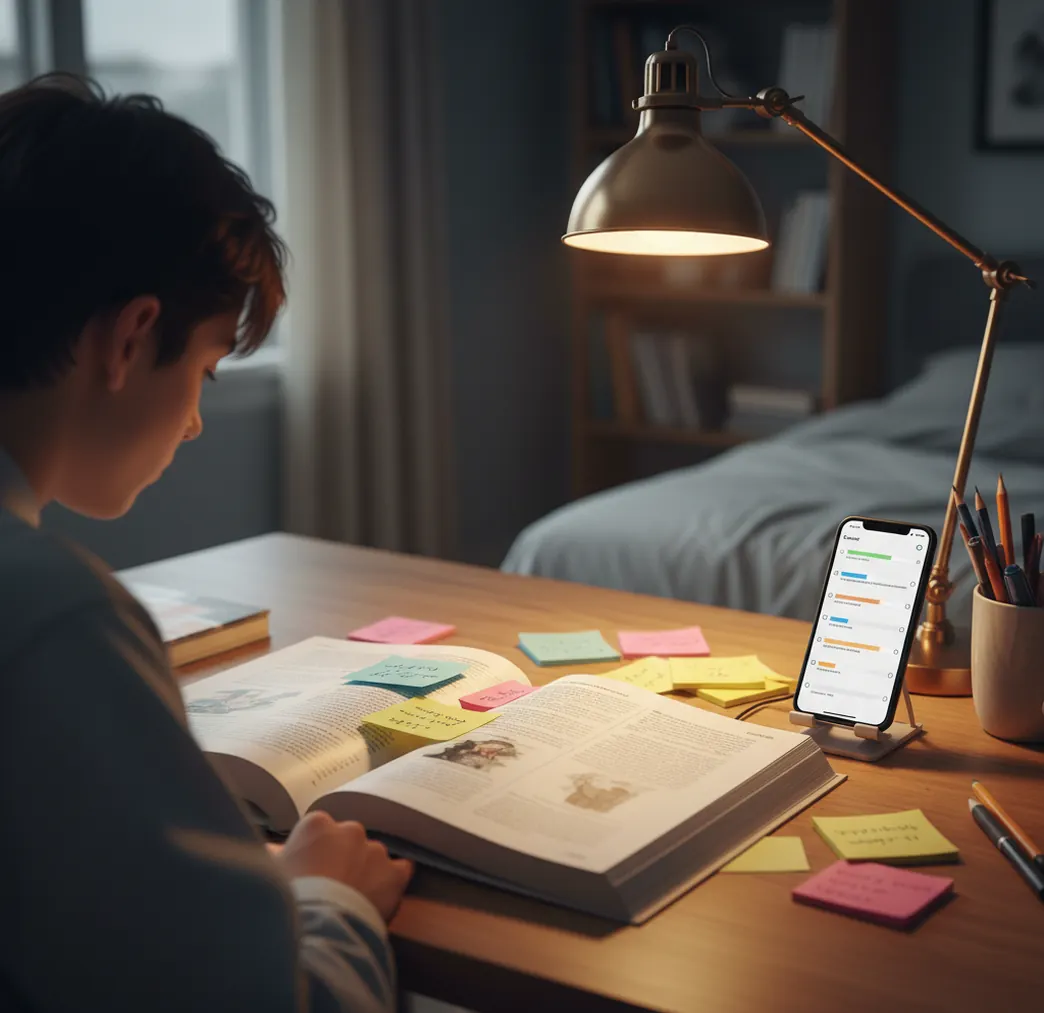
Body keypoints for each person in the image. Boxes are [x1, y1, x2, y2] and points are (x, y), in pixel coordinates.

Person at [0, 76, 412, 1012]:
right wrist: (333, 900)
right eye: (206, 368)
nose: (192, 423)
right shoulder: (49, 609)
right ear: (133, 336)